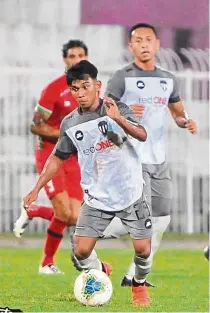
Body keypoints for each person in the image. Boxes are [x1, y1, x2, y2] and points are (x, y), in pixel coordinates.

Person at [23, 60, 153, 306]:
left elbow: (142, 134)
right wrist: (36, 188)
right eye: (75, 89)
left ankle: (138, 285)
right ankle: (100, 272)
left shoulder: (116, 107)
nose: (81, 93)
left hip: (130, 194)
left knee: (143, 252)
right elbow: (57, 157)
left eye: (85, 86)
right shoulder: (70, 124)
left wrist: (118, 119)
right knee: (81, 252)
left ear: (97, 85)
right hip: (96, 199)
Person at [104, 23, 198, 287]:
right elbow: (104, 113)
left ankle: (133, 276)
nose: (144, 45)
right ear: (130, 46)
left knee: (162, 220)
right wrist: (122, 113)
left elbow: (178, 112)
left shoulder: (168, 79)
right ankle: (91, 229)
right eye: (138, 40)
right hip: (132, 158)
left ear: (157, 44)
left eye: (149, 40)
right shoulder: (122, 77)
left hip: (159, 160)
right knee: (143, 219)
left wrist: (186, 121)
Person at [13, 40, 88, 274]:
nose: (76, 59)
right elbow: (36, 126)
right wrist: (65, 134)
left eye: (81, 55)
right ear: (65, 60)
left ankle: (33, 211)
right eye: (72, 55)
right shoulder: (54, 89)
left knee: (75, 216)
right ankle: (47, 263)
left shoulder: (89, 90)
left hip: (74, 158)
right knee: (63, 212)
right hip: (51, 154)